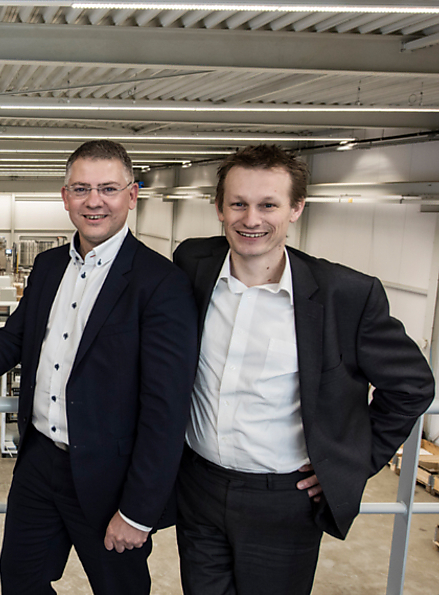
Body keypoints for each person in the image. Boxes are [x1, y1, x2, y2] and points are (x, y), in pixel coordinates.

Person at [0, 139, 198, 594]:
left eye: (108, 189)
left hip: (111, 477)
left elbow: (166, 409)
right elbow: (13, 340)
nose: (94, 201)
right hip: (39, 463)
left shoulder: (160, 282)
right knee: (20, 579)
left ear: (132, 195)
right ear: (65, 196)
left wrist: (138, 511)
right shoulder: (49, 266)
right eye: (81, 188)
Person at [172, 144, 435, 595]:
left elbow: (412, 386)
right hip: (198, 488)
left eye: (268, 205)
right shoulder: (193, 264)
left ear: (296, 208)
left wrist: (349, 463)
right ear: (219, 208)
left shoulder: (344, 295)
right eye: (238, 204)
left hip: (284, 502)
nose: (251, 219)